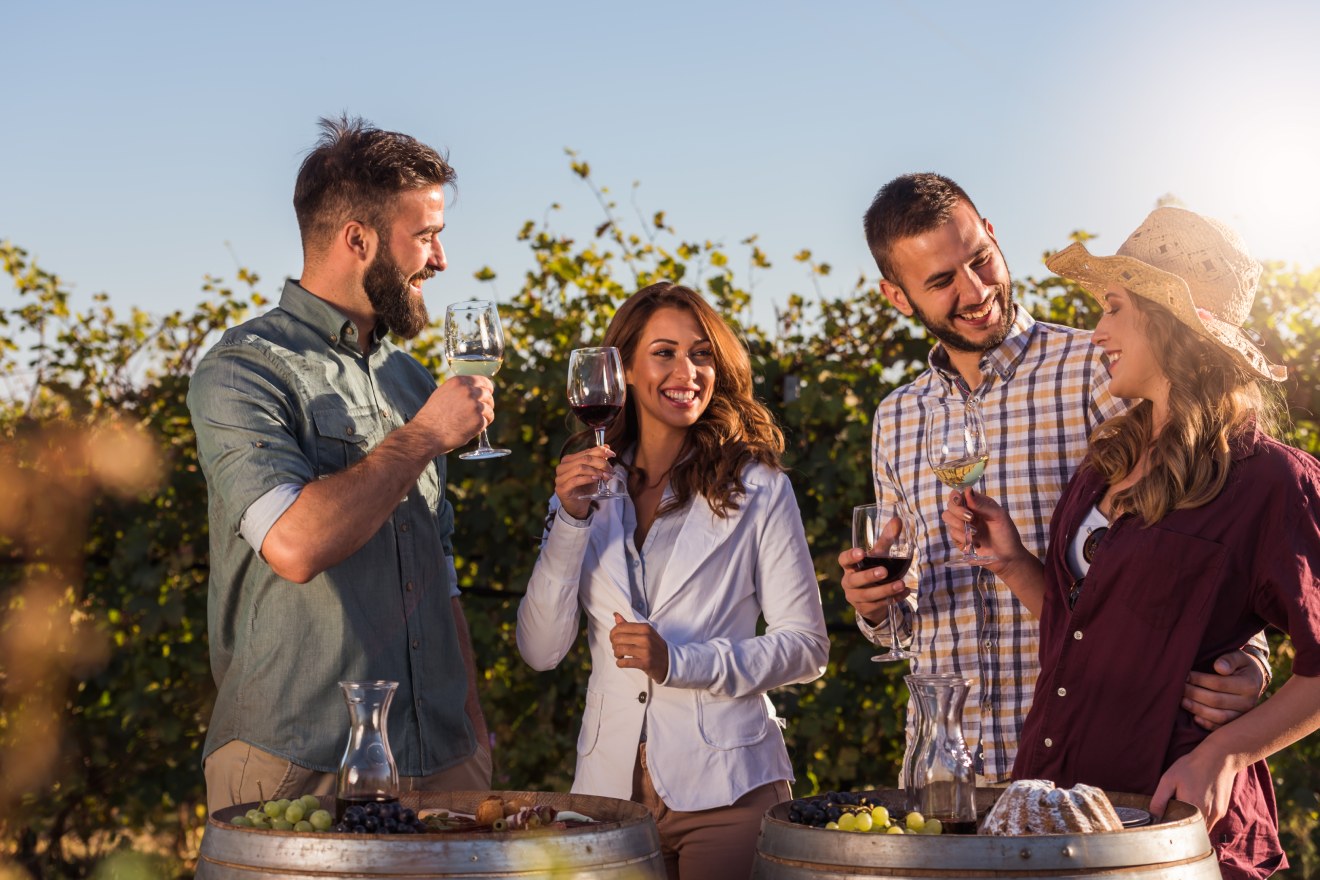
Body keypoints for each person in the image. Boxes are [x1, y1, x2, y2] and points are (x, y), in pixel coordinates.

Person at [837, 174, 1269, 783]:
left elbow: (1208, 527)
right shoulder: (897, 417)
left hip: (1080, 763)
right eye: (940, 282)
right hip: (944, 768)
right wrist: (878, 608)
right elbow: (910, 616)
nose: (975, 291)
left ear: (992, 235)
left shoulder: (1103, 368)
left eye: (980, 260)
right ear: (898, 296)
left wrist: (1247, 659)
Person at [945, 205, 1318, 879]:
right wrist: (1014, 563)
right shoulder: (1107, 462)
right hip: (1058, 810)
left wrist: (1226, 753)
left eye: (1114, 308)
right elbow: (1087, 630)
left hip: (1171, 825)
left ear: (1169, 321)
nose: (1098, 332)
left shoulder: (1270, 479)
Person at [188, 116, 495, 814]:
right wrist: (422, 438)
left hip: (443, 759)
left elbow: (440, 569)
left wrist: (473, 728)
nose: (441, 260)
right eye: (425, 236)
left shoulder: (411, 380)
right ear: (358, 239)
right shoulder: (245, 370)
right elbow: (295, 545)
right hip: (299, 762)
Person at [517, 282, 829, 880]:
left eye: (702, 354)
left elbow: (806, 647)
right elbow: (540, 650)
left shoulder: (759, 487)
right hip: (608, 797)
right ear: (625, 371)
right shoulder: (588, 489)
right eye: (664, 353)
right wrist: (570, 520)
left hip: (730, 790)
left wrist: (678, 662)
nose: (687, 371)